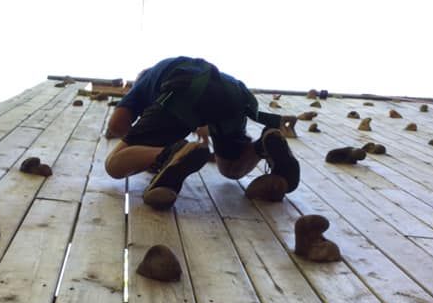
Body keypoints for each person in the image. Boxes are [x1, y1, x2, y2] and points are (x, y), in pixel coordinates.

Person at [104, 57, 300, 209]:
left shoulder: (146, 79)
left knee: (114, 164)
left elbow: (117, 125)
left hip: (184, 89)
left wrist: (146, 149)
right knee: (231, 169)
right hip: (234, 93)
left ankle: (169, 153)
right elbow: (203, 104)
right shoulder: (183, 67)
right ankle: (263, 146)